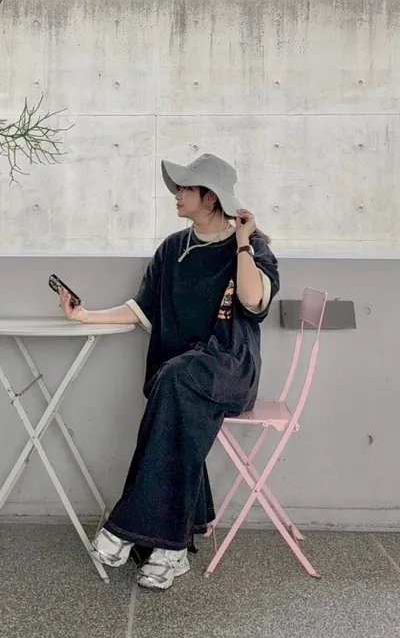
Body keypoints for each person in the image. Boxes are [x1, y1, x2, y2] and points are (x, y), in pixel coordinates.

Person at [59, 152, 280, 590]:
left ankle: (126, 528)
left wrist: (243, 241)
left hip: (229, 369)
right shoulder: (172, 249)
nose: (176, 194)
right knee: (176, 396)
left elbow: (253, 301)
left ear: (211, 197)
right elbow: (142, 309)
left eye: (186, 188)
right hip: (177, 378)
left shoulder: (253, 249)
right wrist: (84, 316)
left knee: (175, 380)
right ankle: (171, 549)